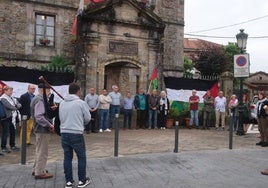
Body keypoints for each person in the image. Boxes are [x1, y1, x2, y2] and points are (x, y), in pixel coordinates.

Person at [59, 83, 91, 188]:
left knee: (67, 157)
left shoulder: (62, 103)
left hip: (64, 132)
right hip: (76, 133)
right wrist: (81, 123)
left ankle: (68, 181)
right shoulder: (81, 103)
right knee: (81, 157)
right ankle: (82, 180)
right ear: (78, 91)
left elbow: (60, 117)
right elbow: (87, 118)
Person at [30, 83, 54, 179]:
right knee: (42, 151)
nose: (49, 93)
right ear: (43, 90)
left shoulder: (37, 99)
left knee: (39, 150)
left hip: (39, 129)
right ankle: (39, 172)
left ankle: (37, 168)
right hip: (42, 129)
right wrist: (49, 124)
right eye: (48, 91)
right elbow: (39, 116)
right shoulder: (39, 100)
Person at [0, 86, 21, 153]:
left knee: (13, 132)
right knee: (5, 133)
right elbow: (9, 106)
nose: (11, 92)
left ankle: (12, 145)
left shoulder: (12, 98)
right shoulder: (3, 98)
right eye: (10, 90)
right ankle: (3, 147)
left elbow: (19, 104)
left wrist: (16, 106)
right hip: (6, 118)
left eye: (12, 91)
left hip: (13, 117)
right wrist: (16, 107)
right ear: (5, 91)